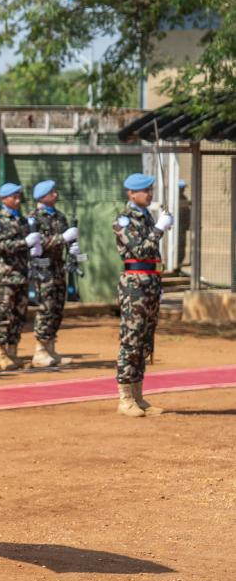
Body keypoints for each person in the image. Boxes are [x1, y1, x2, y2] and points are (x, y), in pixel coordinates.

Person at [113, 173, 169, 417]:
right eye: (145, 190)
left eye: (150, 189)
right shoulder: (123, 220)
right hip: (134, 286)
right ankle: (125, 398)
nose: (149, 194)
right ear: (131, 193)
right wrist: (159, 229)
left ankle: (138, 395)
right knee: (132, 339)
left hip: (150, 282)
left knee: (146, 339)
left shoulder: (146, 216)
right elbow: (140, 250)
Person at [28, 180, 78, 368]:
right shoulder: (34, 218)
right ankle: (40, 351)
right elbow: (37, 242)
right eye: (52, 192)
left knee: (57, 308)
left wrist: (72, 247)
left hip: (58, 268)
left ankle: (50, 348)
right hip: (43, 269)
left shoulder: (60, 216)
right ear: (42, 196)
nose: (56, 195)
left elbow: (66, 240)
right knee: (46, 308)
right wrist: (62, 238)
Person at [0, 182, 36, 371]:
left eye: (18, 196)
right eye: (13, 197)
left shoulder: (22, 219)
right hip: (5, 276)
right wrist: (24, 243)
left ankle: (13, 353)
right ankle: (1, 355)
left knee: (18, 316)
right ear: (4, 199)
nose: (17, 200)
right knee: (3, 315)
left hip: (21, 275)